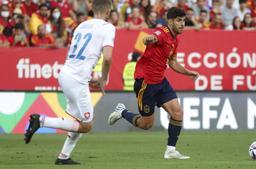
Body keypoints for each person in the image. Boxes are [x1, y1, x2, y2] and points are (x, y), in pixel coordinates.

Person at [24, 0, 115, 165]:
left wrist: (91, 77)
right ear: (108, 12)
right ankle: (42, 121)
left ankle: (63, 157)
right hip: (77, 80)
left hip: (67, 73)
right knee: (87, 126)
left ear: (92, 9)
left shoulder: (81, 26)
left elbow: (79, 56)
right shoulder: (107, 27)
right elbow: (108, 57)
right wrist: (103, 79)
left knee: (78, 122)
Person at [108, 7, 199, 160]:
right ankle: (122, 111)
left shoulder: (175, 39)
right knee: (146, 124)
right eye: (179, 20)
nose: (182, 24)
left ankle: (170, 150)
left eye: (184, 20)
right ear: (170, 21)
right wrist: (148, 39)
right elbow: (148, 38)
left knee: (177, 112)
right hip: (146, 83)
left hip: (160, 81)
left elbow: (173, 62)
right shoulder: (161, 33)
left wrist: (188, 72)